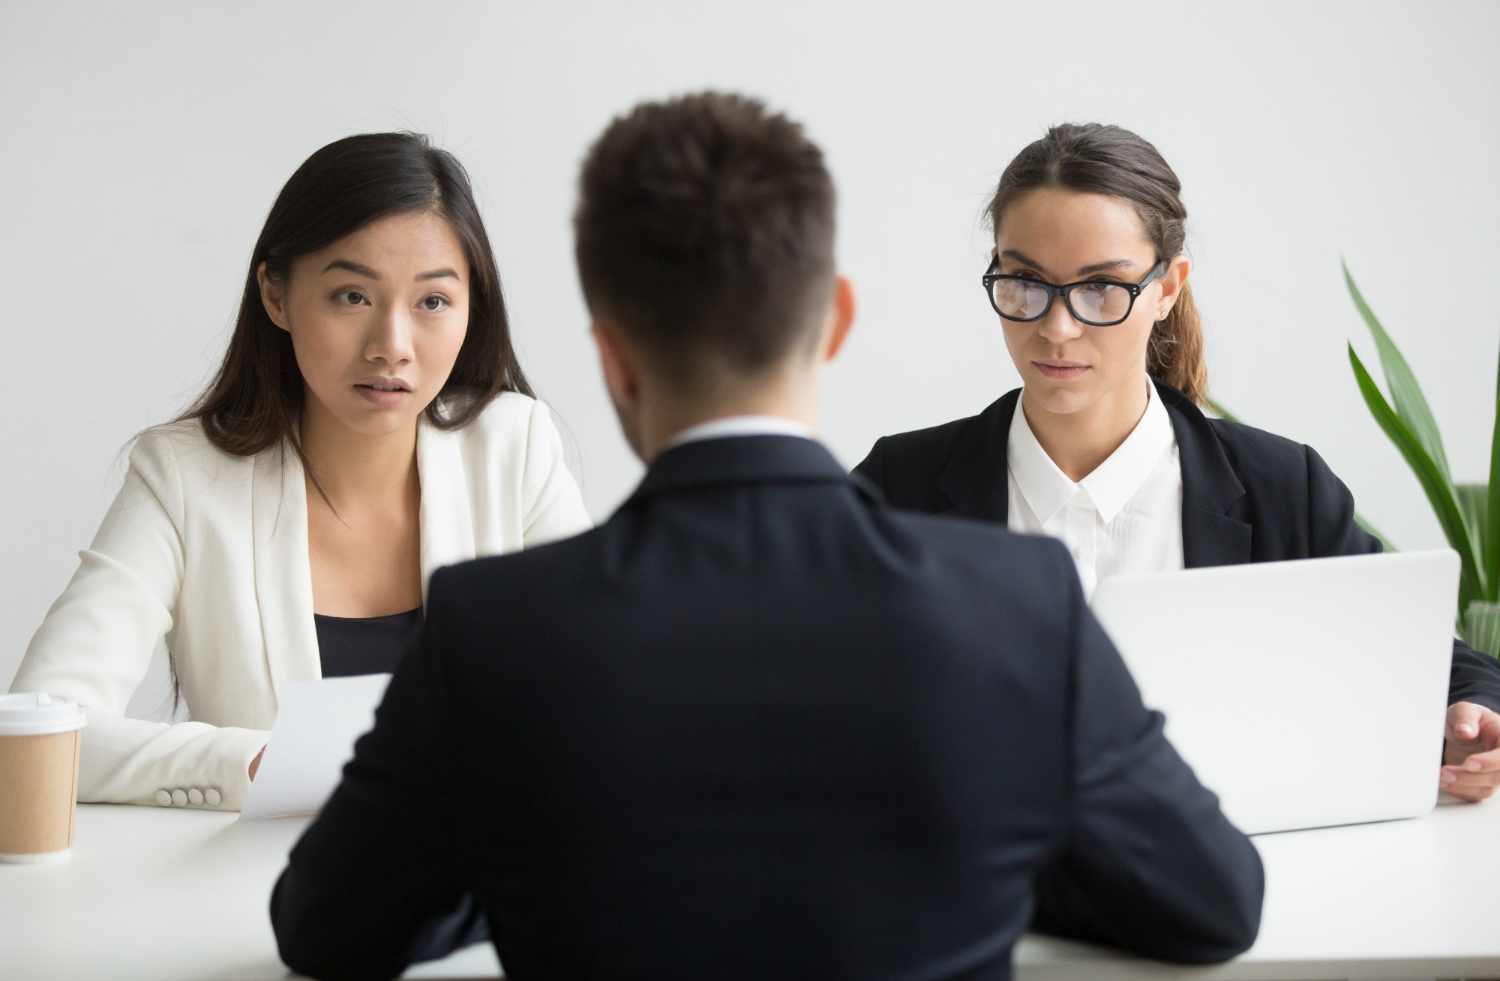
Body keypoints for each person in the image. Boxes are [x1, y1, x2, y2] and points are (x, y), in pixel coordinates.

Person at [269, 93, 1263, 981]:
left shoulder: (491, 628)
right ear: (834, 321)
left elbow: (324, 930)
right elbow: (1213, 903)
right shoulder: (1018, 601)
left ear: (611, 353)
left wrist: (507, 859)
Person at [853, 122, 1500, 804]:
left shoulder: (1283, 490)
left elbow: (1439, 664)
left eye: (1101, 287)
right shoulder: (899, 486)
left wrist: (1473, 715)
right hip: (976, 895)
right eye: (1024, 282)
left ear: (1166, 289)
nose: (1056, 327)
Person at [9, 132, 592, 812]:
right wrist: (262, 762)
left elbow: (600, 696)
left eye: (432, 302)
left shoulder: (514, 447)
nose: (392, 348)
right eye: (352, 296)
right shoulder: (183, 478)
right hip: (265, 902)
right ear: (277, 295)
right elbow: (36, 730)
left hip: (485, 898)